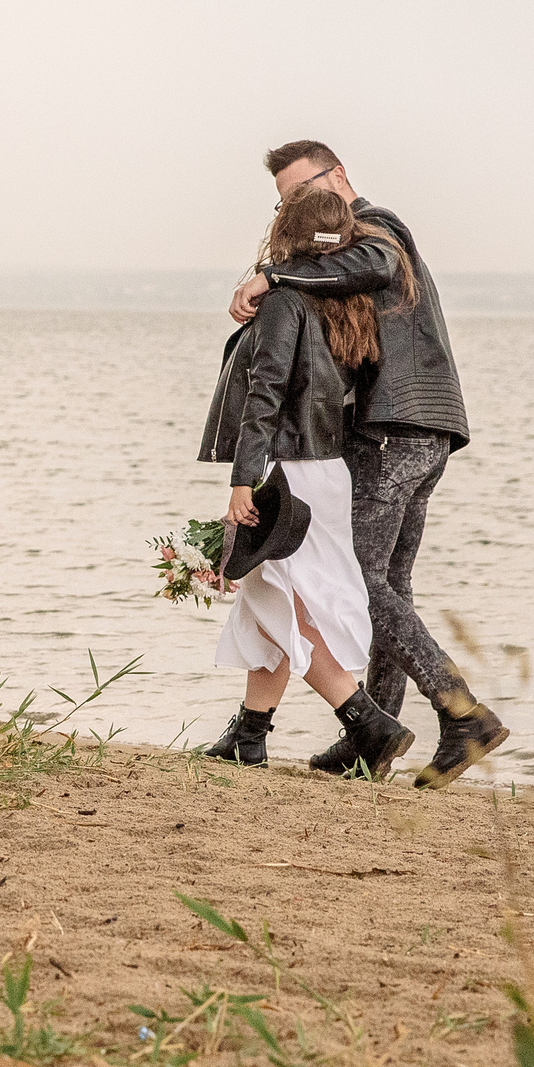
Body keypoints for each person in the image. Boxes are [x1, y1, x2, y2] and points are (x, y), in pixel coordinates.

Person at [228, 140, 510, 790]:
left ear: (341, 177)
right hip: (424, 429)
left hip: (395, 428)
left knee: (359, 578)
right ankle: (372, 742)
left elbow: (373, 262)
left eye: (305, 190)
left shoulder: (378, 228)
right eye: (287, 200)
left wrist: (274, 277)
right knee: (388, 585)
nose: (300, 206)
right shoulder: (341, 250)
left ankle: (461, 712)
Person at [194, 188, 416, 774]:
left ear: (284, 237)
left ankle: (368, 724)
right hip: (326, 472)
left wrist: (244, 481)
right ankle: (250, 734)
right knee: (274, 601)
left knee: (283, 603)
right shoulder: (350, 305)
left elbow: (266, 396)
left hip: (287, 467)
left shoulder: (284, 302)